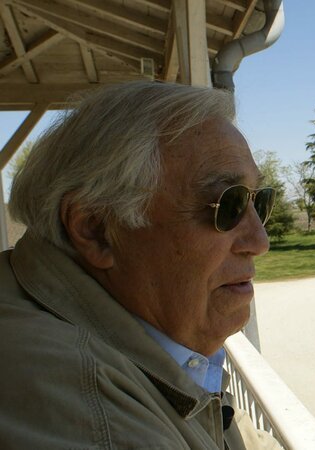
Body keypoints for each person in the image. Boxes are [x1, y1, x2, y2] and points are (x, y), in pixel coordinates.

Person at [0, 82, 282, 449]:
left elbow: (217, 425)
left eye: (258, 202)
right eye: (227, 205)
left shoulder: (150, 342)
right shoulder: (86, 404)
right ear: (97, 229)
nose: (260, 242)